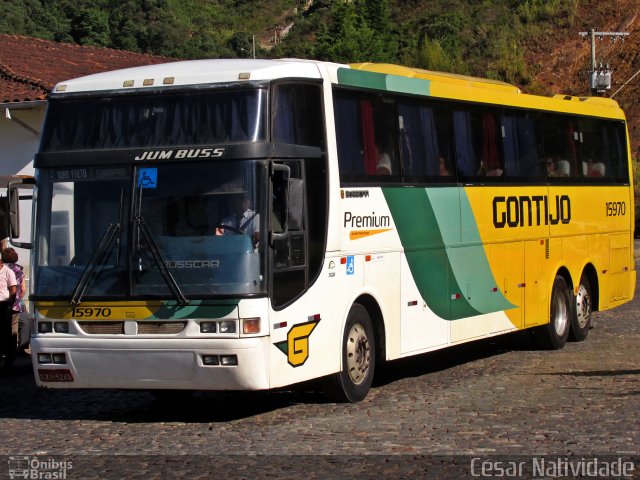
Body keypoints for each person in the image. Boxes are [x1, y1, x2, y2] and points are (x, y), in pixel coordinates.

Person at [2, 248, 27, 358]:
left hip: (2, 303)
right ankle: (12, 354)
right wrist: (17, 299)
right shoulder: (19, 270)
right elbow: (23, 289)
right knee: (13, 330)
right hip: (14, 305)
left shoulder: (3, 268)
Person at [0, 248, 17, 370]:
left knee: (6, 333)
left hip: (4, 305)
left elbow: (13, 290)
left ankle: (9, 359)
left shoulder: (8, 272)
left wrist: (10, 305)